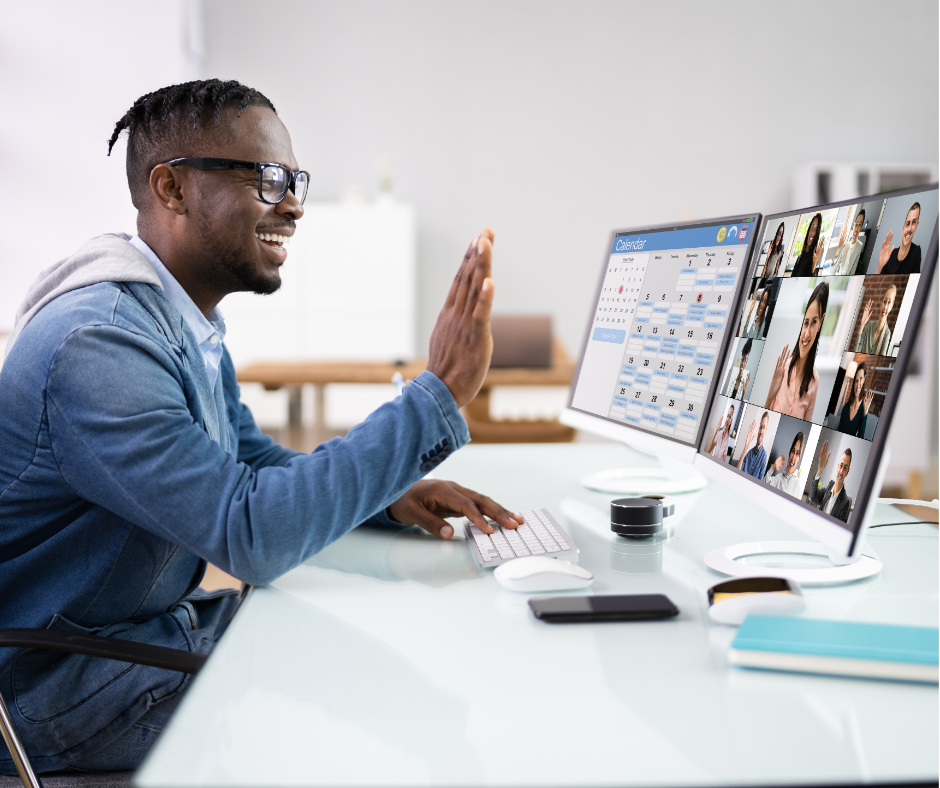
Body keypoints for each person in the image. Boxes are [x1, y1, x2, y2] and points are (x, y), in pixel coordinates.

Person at [0, 80, 524, 775]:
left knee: (373, 641)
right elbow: (250, 532)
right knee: (363, 720)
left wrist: (388, 494)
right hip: (62, 687)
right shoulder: (98, 347)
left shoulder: (179, 320)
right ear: (173, 188)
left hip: (136, 638)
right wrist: (440, 393)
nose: (295, 204)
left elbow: (250, 464)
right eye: (268, 178)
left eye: (295, 178)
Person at [764, 281, 828, 420]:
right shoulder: (784, 367)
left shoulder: (814, 380)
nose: (806, 334)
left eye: (814, 323)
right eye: (806, 323)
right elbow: (765, 416)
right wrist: (770, 395)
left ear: (821, 321)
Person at [809, 442, 854, 523]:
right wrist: (820, 470)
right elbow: (812, 496)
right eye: (841, 465)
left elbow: (839, 529)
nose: (841, 471)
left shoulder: (845, 502)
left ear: (847, 471)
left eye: (845, 467)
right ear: (838, 466)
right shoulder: (829, 487)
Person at [876, 202, 921, 275]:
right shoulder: (890, 256)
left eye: (913, 223)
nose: (909, 229)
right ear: (903, 229)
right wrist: (879, 267)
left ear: (916, 226)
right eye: (907, 224)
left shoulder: (916, 252)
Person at [854, 285, 896, 356]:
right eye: (885, 301)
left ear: (891, 307)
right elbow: (856, 351)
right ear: (881, 303)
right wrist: (862, 325)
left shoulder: (887, 334)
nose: (885, 307)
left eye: (889, 303)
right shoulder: (870, 325)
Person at [836, 362, 874, 438]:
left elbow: (861, 437)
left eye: (861, 379)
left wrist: (865, 411)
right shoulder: (846, 407)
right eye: (856, 380)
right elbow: (838, 431)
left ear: (864, 379)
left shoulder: (862, 410)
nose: (858, 384)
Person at [763, 431, 805, 497]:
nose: (793, 457)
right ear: (789, 453)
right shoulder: (779, 477)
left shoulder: (797, 485)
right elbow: (764, 484)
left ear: (799, 459)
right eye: (793, 451)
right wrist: (773, 466)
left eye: (797, 453)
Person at [735, 410, 771, 480]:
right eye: (760, 427)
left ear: (766, 430)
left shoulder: (764, 456)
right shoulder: (749, 453)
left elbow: (760, 482)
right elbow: (737, 471)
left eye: (764, 428)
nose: (761, 431)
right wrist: (745, 448)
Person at [831, 209, 866, 276]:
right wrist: (838, 250)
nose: (856, 228)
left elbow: (853, 270)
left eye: (859, 225)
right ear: (853, 225)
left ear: (861, 228)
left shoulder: (859, 246)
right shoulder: (846, 245)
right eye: (856, 223)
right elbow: (834, 269)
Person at [789, 212, 823, 277]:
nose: (813, 233)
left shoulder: (815, 260)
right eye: (812, 227)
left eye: (816, 229)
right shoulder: (799, 258)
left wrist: (814, 264)